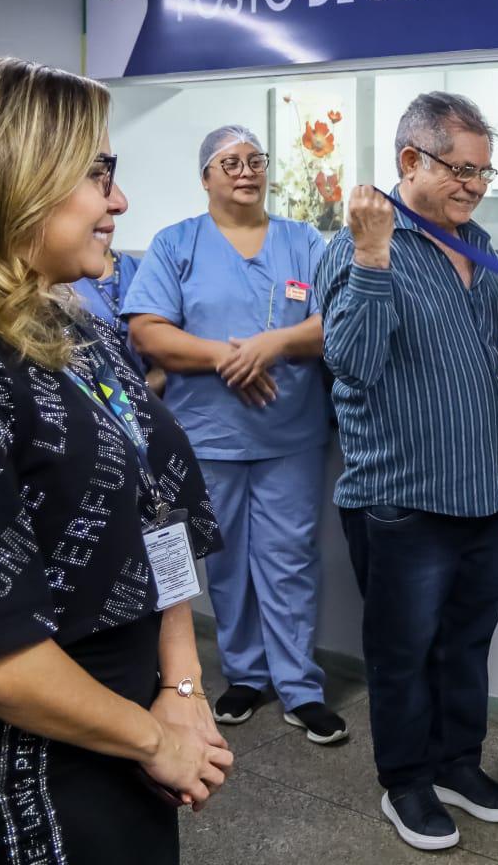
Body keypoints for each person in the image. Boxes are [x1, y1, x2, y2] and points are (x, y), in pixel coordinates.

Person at [0, 57, 232, 863]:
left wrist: (181, 684)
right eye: (98, 173)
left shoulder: (72, 322)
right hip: (41, 756)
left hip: (134, 717)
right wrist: (155, 741)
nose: (119, 201)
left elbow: (160, 508)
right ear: (20, 179)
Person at [316, 92, 498, 852]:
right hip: (402, 497)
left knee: (467, 645)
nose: (474, 186)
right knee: (403, 655)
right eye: (460, 169)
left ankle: (455, 765)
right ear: (410, 160)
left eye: (483, 171)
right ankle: (404, 781)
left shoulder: (481, 250)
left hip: (480, 493)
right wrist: (373, 256)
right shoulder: (358, 248)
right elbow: (353, 362)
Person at [123, 125, 345, 744]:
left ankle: (300, 686)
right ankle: (245, 675)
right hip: (209, 436)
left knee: (289, 558)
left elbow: (334, 321)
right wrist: (229, 357)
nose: (245, 171)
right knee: (224, 562)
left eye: (255, 160)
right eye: (229, 163)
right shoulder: (177, 244)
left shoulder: (306, 241)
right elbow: (147, 331)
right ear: (206, 178)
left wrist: (274, 345)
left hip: (289, 434)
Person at [68, 184, 164, 392]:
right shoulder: (62, 280)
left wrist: (140, 393)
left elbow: (165, 361)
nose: (117, 206)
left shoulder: (145, 271)